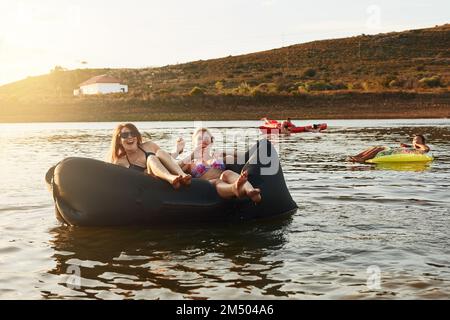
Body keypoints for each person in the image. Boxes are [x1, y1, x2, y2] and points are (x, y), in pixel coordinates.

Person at [179, 128, 262, 203]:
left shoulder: (218, 156)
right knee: (217, 182)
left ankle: (251, 191)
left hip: (224, 180)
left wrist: (227, 151)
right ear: (194, 143)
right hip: (209, 185)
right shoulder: (190, 163)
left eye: (206, 138)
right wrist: (192, 155)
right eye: (200, 138)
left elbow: (246, 156)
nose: (203, 141)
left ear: (211, 142)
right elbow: (175, 167)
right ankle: (234, 188)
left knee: (227, 173)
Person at [108, 123, 191, 189]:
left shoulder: (149, 146)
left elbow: (168, 160)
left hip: (168, 179)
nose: (130, 137)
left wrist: (178, 150)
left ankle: (182, 175)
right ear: (119, 140)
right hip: (149, 185)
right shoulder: (120, 162)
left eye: (133, 133)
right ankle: (170, 178)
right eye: (125, 135)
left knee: (160, 152)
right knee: (151, 158)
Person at [348, 134, 430, 163]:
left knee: (379, 149)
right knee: (376, 147)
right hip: (394, 151)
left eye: (417, 139)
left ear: (422, 142)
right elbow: (411, 148)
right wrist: (407, 146)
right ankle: (357, 156)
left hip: (394, 154)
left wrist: (419, 144)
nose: (415, 141)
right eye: (414, 140)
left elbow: (426, 149)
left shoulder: (422, 148)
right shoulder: (413, 147)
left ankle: (362, 159)